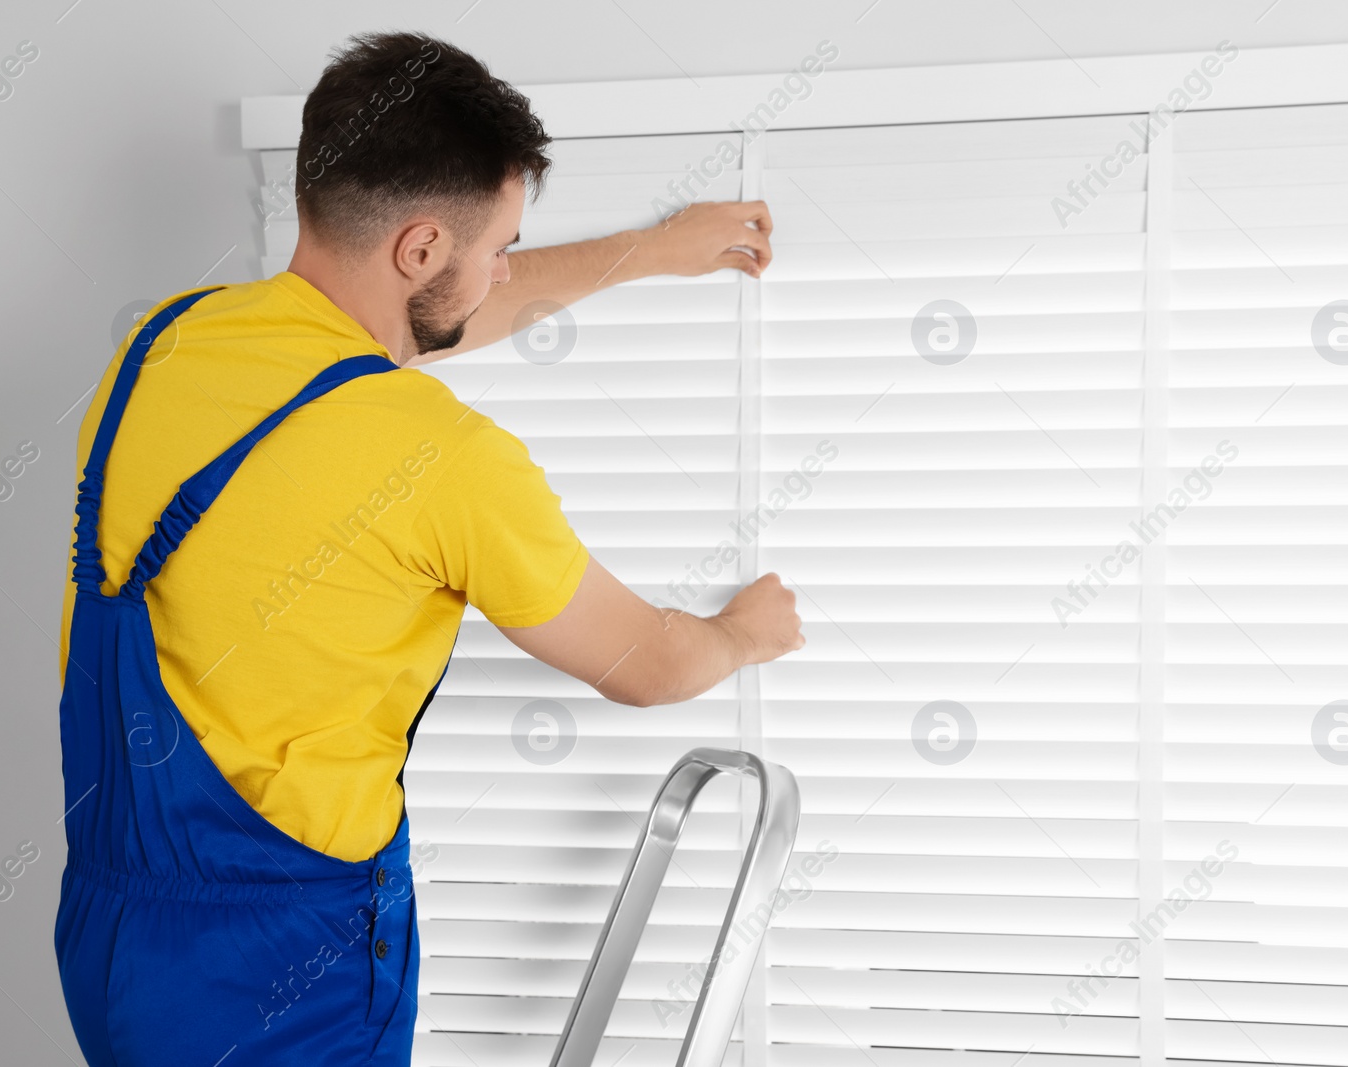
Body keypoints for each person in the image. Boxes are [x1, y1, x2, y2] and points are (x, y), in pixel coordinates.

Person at [54, 30, 802, 1065]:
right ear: (416, 248)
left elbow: (416, 327)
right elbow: (650, 664)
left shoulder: (164, 346)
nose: (501, 266)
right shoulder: (443, 458)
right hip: (282, 963)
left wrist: (650, 249)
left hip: (112, 935)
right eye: (496, 242)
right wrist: (740, 631)